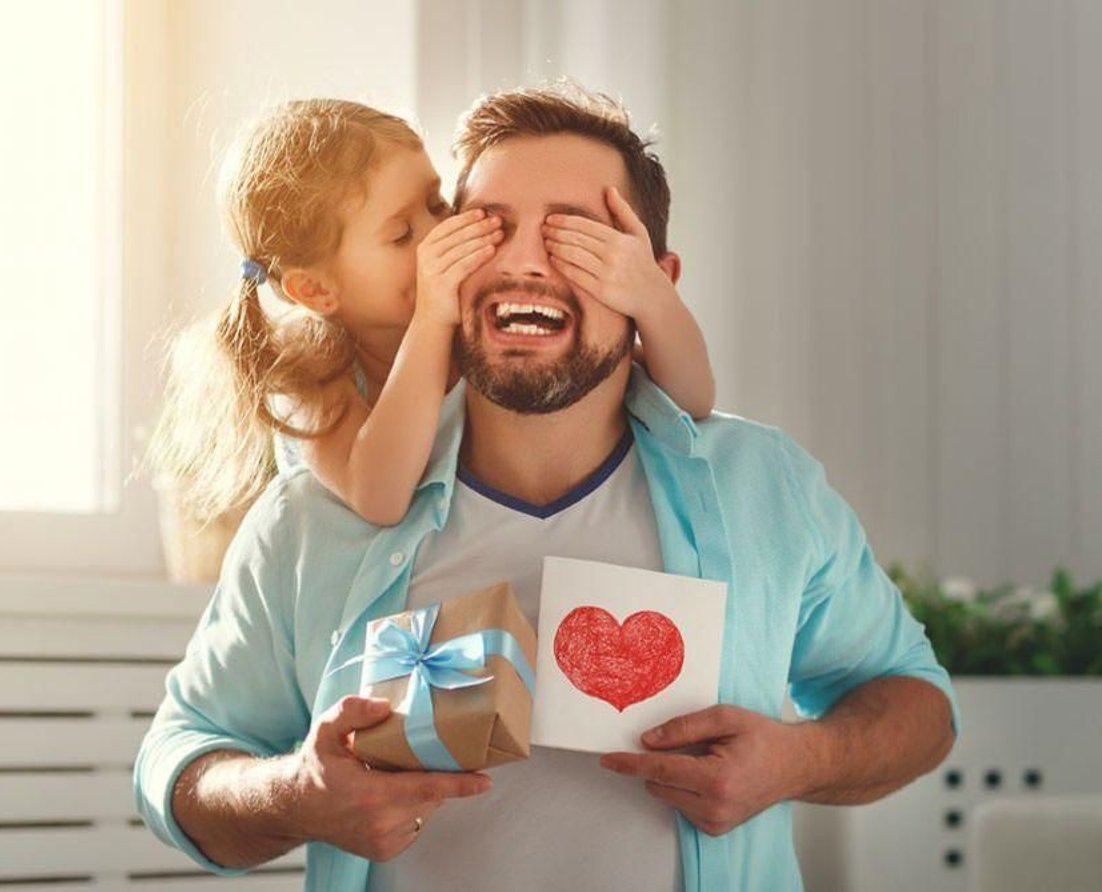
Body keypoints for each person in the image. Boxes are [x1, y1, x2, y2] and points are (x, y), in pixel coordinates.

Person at [134, 82, 960, 892]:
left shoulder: (764, 489)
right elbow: (179, 760)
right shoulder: (317, 513)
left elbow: (920, 708)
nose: (525, 260)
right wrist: (297, 795)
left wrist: (799, 759)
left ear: (654, 278)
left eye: (579, 237)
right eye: (485, 227)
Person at [148, 97, 714, 535]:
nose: (440, 234)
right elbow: (381, 496)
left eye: (439, 204)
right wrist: (432, 323)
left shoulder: (487, 329)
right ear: (316, 289)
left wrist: (650, 295)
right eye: (401, 233)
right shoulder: (318, 371)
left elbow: (689, 398)